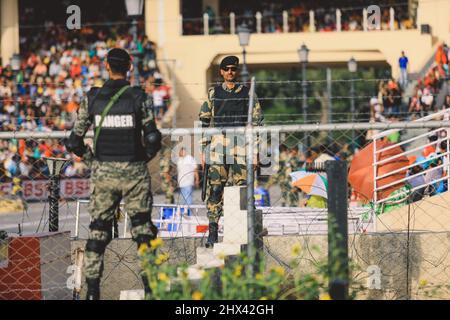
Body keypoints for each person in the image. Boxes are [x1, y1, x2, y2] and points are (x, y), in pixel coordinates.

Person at [64, 48, 162, 300]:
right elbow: (152, 137)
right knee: (142, 231)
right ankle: (151, 290)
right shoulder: (139, 97)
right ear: (129, 67)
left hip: (103, 172)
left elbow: (74, 141)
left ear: (107, 65)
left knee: (97, 232)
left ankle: (93, 292)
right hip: (134, 171)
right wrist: (140, 160)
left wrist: (93, 161)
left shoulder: (93, 98)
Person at [199, 55, 263, 248]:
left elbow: (257, 124)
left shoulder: (247, 94)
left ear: (236, 71)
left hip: (241, 144)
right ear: (221, 72)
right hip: (218, 144)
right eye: (226, 69)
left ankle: (241, 230)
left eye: (233, 69)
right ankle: (212, 229)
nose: (229, 72)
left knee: (241, 189)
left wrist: (255, 151)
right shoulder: (213, 93)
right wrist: (204, 149)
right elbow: (203, 122)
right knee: (215, 188)